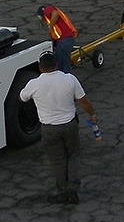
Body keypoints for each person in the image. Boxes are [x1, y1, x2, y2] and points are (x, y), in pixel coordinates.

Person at [19, 52, 98, 204]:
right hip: (70, 125)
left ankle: (62, 193)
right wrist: (92, 114)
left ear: (40, 68)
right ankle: (73, 189)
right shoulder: (70, 79)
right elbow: (84, 101)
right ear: (56, 65)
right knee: (73, 155)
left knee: (57, 160)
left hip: (49, 129)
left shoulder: (34, 84)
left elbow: (22, 98)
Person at [39, 4, 79, 75]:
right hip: (63, 41)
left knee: (64, 66)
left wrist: (50, 27)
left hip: (64, 41)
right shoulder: (49, 17)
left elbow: (55, 14)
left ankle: (68, 82)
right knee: (60, 64)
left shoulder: (46, 10)